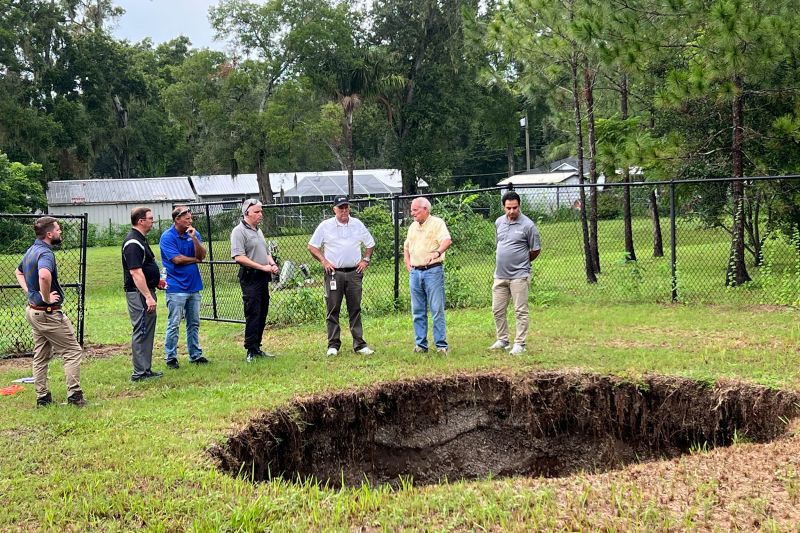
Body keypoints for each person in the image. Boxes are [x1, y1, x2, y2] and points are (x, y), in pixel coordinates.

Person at [14, 216, 86, 407]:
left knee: (41, 355)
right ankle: (75, 396)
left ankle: (42, 397)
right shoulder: (45, 253)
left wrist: (30, 292)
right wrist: (45, 298)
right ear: (49, 234)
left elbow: (18, 272)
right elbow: (44, 276)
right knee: (72, 351)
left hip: (33, 311)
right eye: (58, 229)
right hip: (47, 313)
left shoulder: (32, 250)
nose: (60, 232)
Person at [308, 195, 376, 357]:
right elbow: (312, 246)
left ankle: (359, 344)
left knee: (355, 308)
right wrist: (324, 261)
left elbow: (370, 244)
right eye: (341, 208)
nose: (344, 210)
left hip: (354, 273)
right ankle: (333, 345)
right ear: (334, 209)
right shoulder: (326, 226)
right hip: (334, 274)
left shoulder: (357, 224)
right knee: (333, 309)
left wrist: (365, 260)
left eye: (346, 207)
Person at [489, 191, 541, 355]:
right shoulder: (499, 222)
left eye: (515, 208)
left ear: (519, 206)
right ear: (503, 207)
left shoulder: (528, 225)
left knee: (520, 310)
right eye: (508, 208)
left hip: (519, 275)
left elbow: (535, 249)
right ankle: (503, 340)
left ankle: (520, 344)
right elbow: (500, 244)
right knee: (497, 309)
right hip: (500, 275)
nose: (512, 211)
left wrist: (522, 263)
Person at [230, 199, 280, 363]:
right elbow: (239, 257)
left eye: (261, 211)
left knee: (262, 311)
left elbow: (265, 252)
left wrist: (271, 264)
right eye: (257, 212)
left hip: (262, 276)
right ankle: (250, 349)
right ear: (247, 213)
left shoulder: (258, 231)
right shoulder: (239, 231)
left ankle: (257, 346)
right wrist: (261, 267)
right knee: (252, 312)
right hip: (250, 276)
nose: (260, 215)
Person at [159, 205, 208, 368]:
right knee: (174, 323)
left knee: (193, 323)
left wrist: (194, 239)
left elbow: (202, 255)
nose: (190, 221)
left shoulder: (194, 233)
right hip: (176, 287)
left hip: (194, 286)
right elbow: (177, 260)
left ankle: (195, 354)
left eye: (191, 218)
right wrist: (195, 259)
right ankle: (170, 357)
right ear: (177, 219)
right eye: (186, 218)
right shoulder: (167, 237)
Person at [403, 197, 452, 354]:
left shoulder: (437, 223)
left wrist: (436, 253)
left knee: (436, 309)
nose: (412, 213)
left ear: (425, 209)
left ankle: (441, 345)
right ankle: (421, 345)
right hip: (415, 273)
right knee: (417, 310)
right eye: (412, 210)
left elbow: (447, 240)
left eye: (415, 210)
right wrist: (407, 262)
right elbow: (406, 246)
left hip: (433, 271)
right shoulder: (412, 227)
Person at [122, 207, 165, 382]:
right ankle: (139, 373)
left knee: (147, 330)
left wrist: (156, 282)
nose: (152, 221)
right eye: (150, 218)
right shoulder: (133, 242)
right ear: (141, 221)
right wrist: (147, 296)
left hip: (146, 291)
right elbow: (135, 273)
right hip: (139, 295)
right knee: (141, 329)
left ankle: (146, 369)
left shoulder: (141, 239)